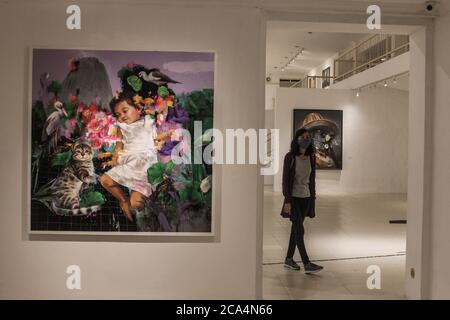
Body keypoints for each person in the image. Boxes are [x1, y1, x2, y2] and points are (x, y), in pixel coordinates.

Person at [99, 91, 160, 222]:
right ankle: (123, 201)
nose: (122, 116)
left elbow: (158, 140)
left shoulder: (148, 122)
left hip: (144, 168)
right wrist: (115, 158)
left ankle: (143, 209)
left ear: (138, 109)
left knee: (137, 204)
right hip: (129, 166)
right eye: (118, 115)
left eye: (125, 111)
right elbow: (119, 145)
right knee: (105, 180)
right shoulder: (122, 127)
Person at [281, 128, 323, 274]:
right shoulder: (290, 157)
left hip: (306, 198)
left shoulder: (311, 157)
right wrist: (287, 200)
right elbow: (285, 180)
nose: (306, 139)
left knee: (296, 229)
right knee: (300, 230)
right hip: (293, 199)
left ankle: (288, 259)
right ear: (297, 139)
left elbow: (312, 180)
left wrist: (313, 197)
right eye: (303, 136)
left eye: (308, 137)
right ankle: (307, 262)